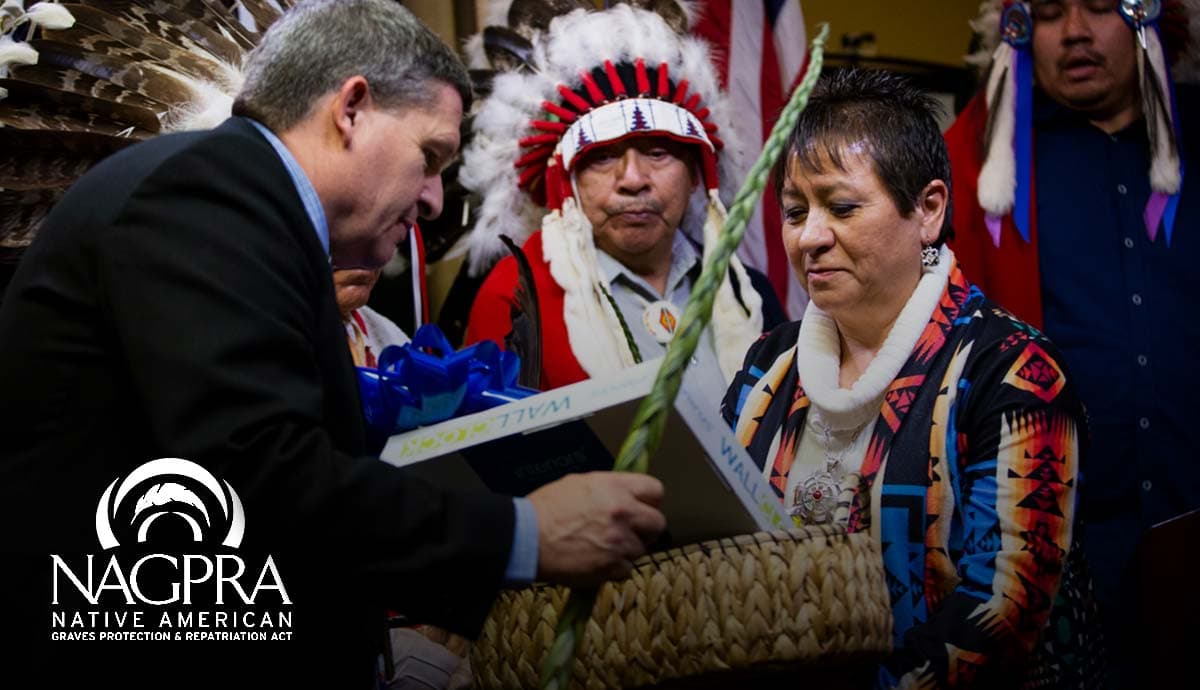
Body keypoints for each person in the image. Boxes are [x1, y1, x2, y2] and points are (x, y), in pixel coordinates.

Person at [0, 1, 665, 687]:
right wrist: (524, 534)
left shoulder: (243, 207)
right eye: (429, 155)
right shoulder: (205, 192)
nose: (434, 200)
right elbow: (260, 472)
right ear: (352, 108)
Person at [721, 68, 1098, 687]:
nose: (810, 237)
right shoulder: (770, 364)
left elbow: (999, 616)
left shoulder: (1015, 373)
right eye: (795, 211)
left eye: (841, 207)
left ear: (927, 210)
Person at [944, 1, 1198, 680]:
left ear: (1149, 15)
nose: (1076, 33)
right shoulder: (980, 161)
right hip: (1059, 548)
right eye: (1052, 12)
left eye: (1098, 7)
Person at [461, 5, 783, 398]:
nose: (632, 180)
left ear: (695, 172)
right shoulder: (513, 298)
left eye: (658, 152)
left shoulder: (749, 295)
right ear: (566, 180)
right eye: (602, 156)